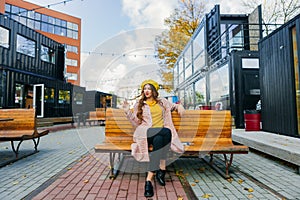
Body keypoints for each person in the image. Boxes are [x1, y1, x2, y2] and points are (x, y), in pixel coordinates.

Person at [122, 79, 185, 197]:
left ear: (154, 90)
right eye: (145, 89)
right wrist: (127, 111)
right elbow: (136, 121)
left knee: (159, 140)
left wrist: (179, 106)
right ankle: (162, 167)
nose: (146, 91)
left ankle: (149, 179)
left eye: (149, 88)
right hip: (146, 133)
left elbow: (174, 106)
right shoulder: (139, 104)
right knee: (166, 131)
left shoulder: (163, 102)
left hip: (160, 135)